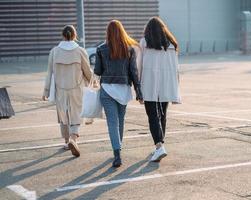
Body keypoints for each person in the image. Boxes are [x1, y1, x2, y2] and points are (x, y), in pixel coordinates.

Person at [94, 20, 143, 168]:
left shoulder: (101, 49)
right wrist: (139, 92)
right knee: (120, 121)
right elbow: (134, 73)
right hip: (123, 90)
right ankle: (118, 151)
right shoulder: (129, 49)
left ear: (108, 33)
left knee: (112, 123)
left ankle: (117, 153)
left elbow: (97, 71)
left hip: (107, 89)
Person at [42, 25, 92, 157]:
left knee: (63, 115)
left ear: (63, 36)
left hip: (60, 89)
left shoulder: (54, 51)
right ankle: (73, 139)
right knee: (76, 114)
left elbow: (49, 73)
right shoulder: (80, 51)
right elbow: (87, 70)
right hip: (76, 88)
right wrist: (93, 83)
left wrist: (46, 91)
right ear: (74, 36)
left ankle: (66, 141)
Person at [139, 17, 181, 162]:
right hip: (166, 84)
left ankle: (159, 146)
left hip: (149, 83)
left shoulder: (145, 42)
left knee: (152, 115)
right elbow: (177, 69)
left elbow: (139, 66)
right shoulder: (172, 45)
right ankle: (160, 145)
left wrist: (138, 87)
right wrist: (176, 87)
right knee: (162, 114)